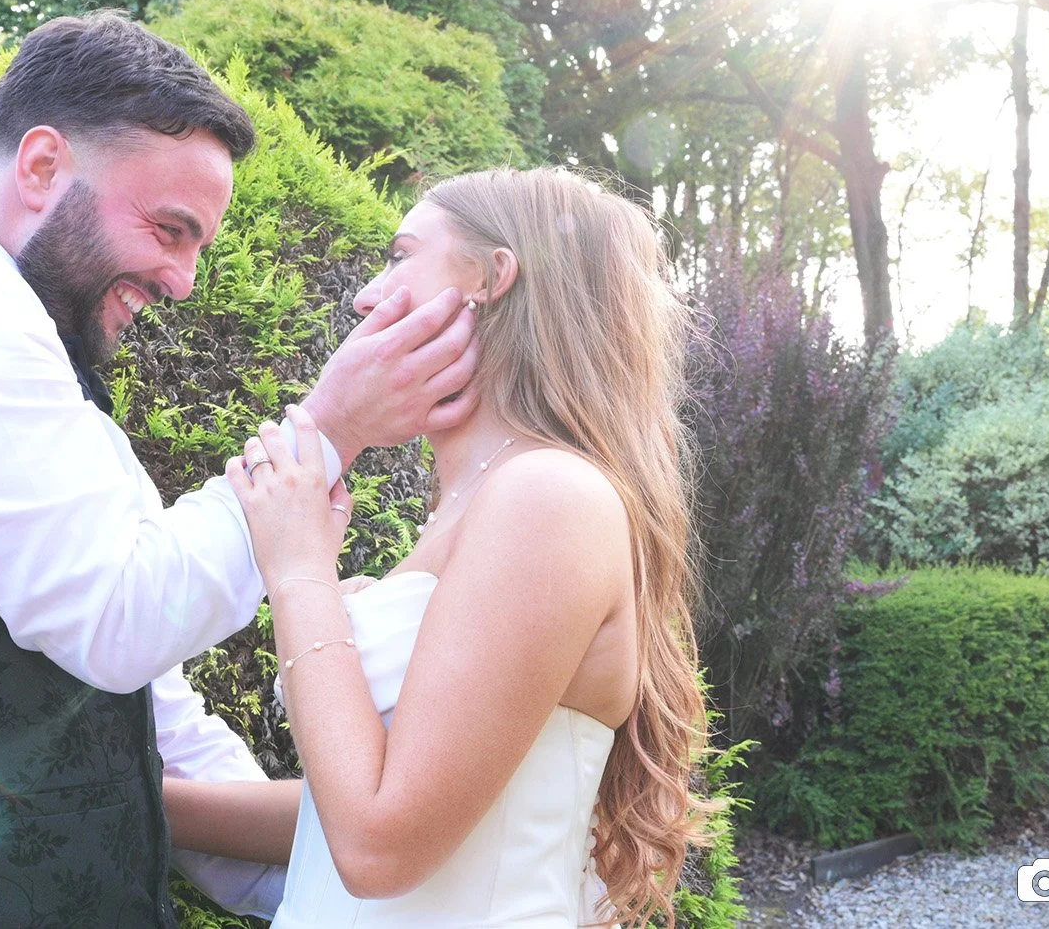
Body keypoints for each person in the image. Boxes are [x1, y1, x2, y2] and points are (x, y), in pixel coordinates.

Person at [0, 10, 481, 927]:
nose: (183, 279)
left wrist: (355, 904)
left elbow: (148, 718)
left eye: (196, 245)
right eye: (169, 228)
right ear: (42, 167)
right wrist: (330, 427)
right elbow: (116, 619)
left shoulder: (44, 381)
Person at [166, 166, 720, 928]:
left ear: (490, 278)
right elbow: (346, 817)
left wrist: (299, 573)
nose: (365, 297)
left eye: (399, 256)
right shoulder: (473, 508)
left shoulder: (547, 496)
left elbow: (379, 851)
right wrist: (129, 799)